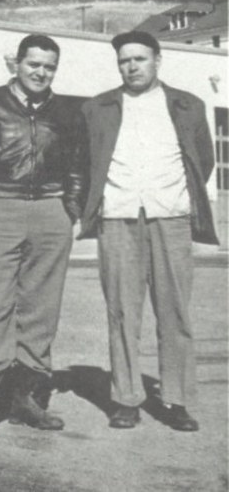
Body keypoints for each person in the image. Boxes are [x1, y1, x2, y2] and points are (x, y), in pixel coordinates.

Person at [80, 31, 217, 432]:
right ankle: (126, 398)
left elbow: (202, 160)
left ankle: (177, 399)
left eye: (139, 58)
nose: (132, 67)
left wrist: (174, 195)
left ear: (158, 59)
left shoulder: (187, 105)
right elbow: (86, 162)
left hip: (170, 217)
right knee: (122, 312)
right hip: (118, 217)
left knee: (174, 312)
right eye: (124, 60)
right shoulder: (97, 108)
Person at [0, 34, 86, 437]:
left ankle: (26, 396)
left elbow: (78, 165)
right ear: (15, 63)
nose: (41, 73)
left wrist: (71, 210)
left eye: (49, 67)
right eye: (33, 64)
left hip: (50, 209)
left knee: (40, 306)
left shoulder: (67, 112)